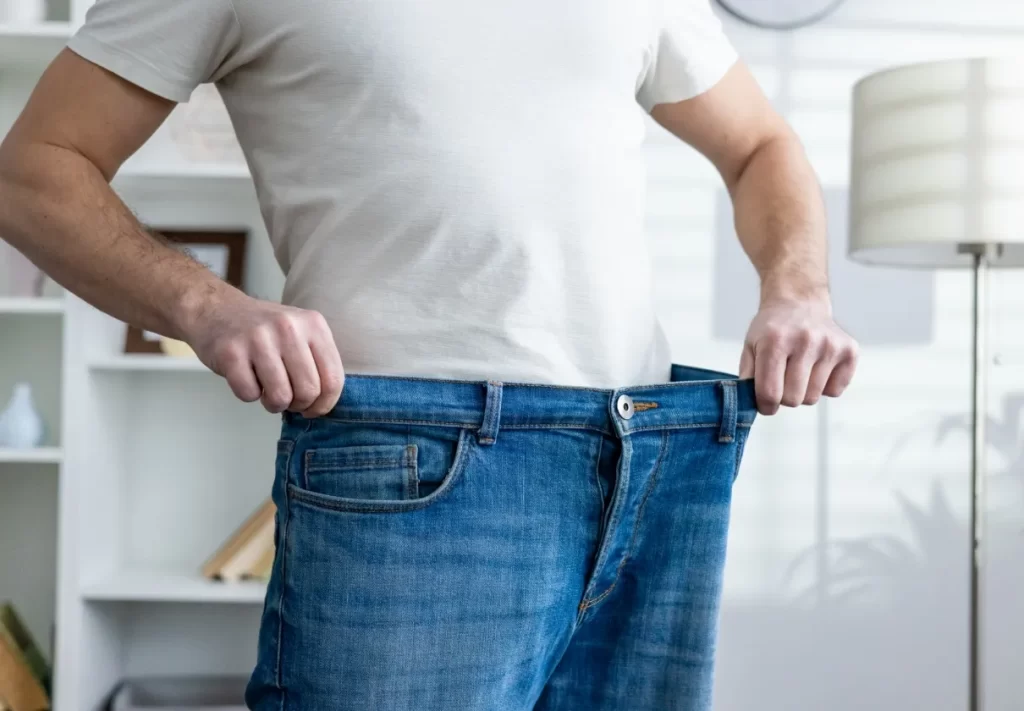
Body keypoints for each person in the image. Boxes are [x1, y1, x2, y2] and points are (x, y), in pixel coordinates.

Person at [0, 1, 858, 709]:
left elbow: (760, 147)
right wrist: (204, 305)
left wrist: (798, 290)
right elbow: (31, 173)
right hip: (418, 469)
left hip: (653, 460)